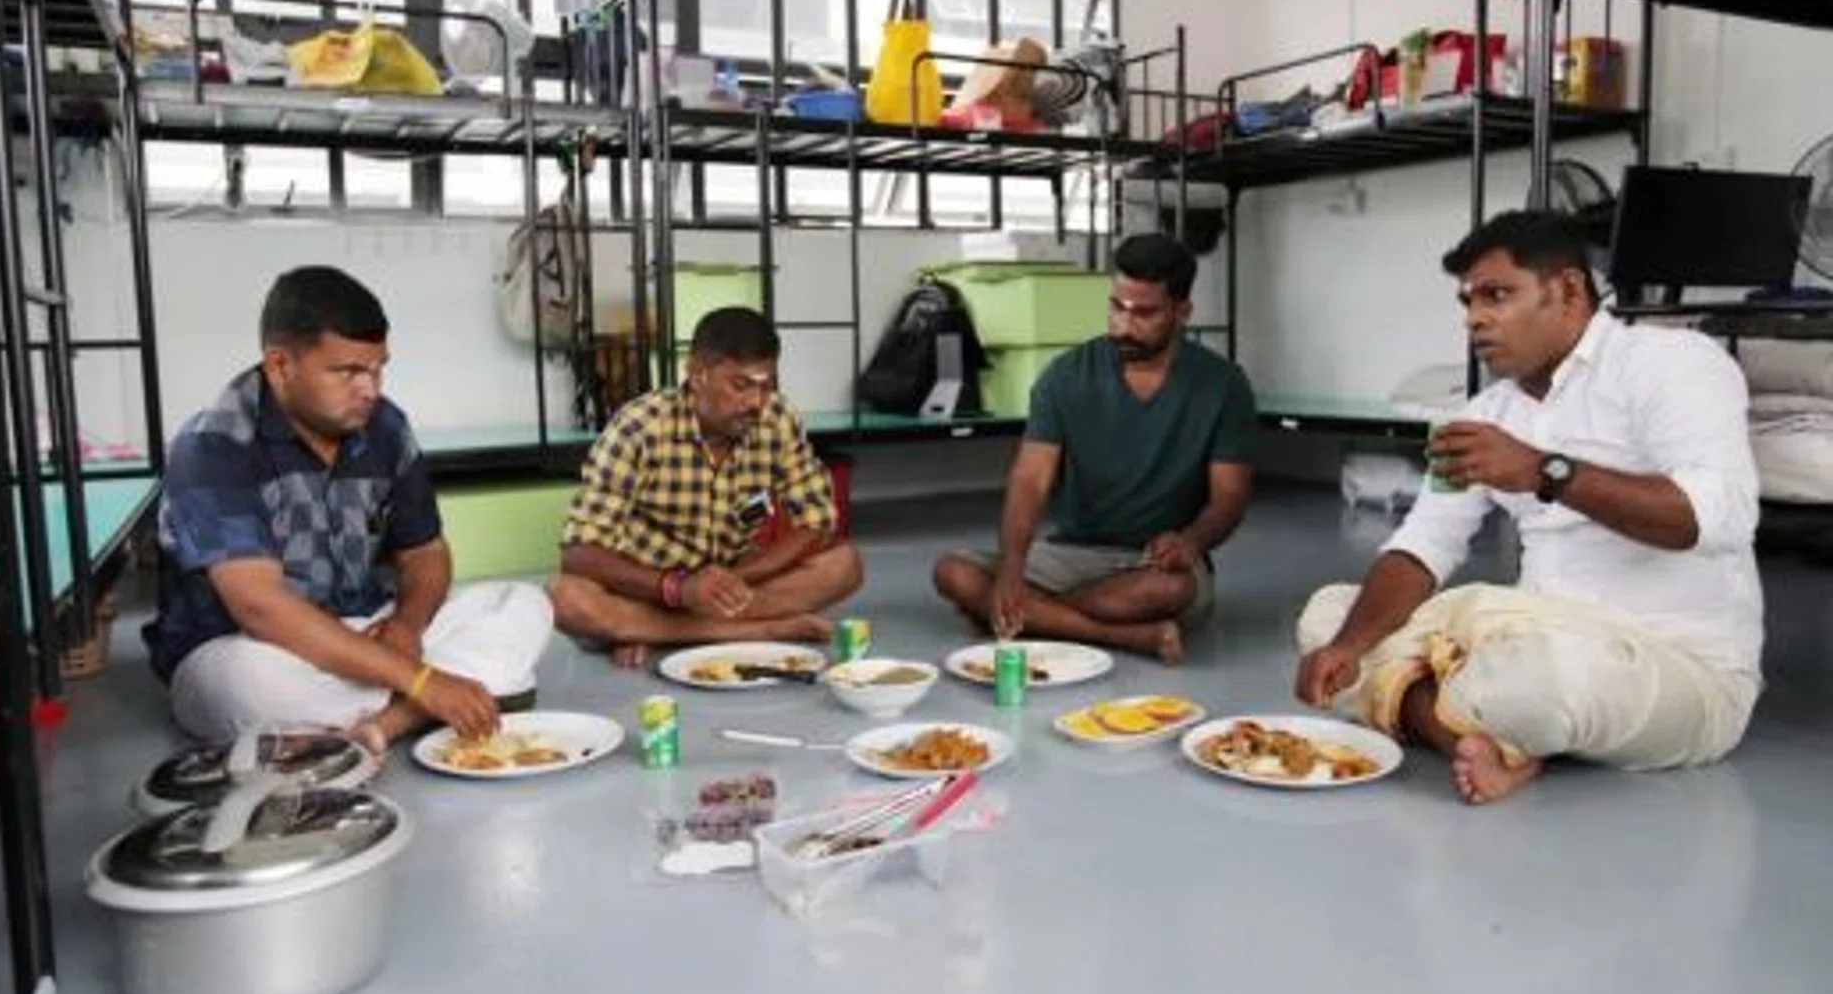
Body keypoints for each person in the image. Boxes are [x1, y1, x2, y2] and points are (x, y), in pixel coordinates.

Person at [1294, 210, 1763, 804]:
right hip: (1528, 634)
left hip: (1675, 669)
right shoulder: (1482, 416)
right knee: (1329, 619)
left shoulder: (1674, 364)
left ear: (1567, 289)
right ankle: (1491, 740)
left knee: (1531, 681)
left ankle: (1445, 712)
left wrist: (1548, 472)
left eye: (1497, 295)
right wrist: (1347, 647)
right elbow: (1424, 545)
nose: (1475, 319)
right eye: (1467, 302)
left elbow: (1715, 518)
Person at [144, 266, 553, 752]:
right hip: (258, 649)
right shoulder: (214, 444)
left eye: (378, 368)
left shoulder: (385, 426)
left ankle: (379, 723)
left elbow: (424, 552)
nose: (370, 389)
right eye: (348, 372)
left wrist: (407, 627)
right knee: (237, 684)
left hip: (369, 629)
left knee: (524, 602)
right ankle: (440, 700)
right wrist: (420, 680)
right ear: (280, 366)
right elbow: (261, 608)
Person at [932, 233, 1257, 663]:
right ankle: (1131, 638)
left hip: (1152, 567)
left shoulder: (1223, 385)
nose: (1124, 325)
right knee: (953, 573)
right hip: (1070, 555)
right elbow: (1030, 480)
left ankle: (1035, 619)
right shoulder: (1065, 376)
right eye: (1116, 306)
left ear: (1182, 312)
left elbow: (1230, 499)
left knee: (1171, 590)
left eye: (1145, 313)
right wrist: (1011, 570)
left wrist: (1192, 541)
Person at [550, 307, 864, 667]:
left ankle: (650, 631)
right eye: (741, 385)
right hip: (647, 587)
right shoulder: (639, 427)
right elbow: (579, 555)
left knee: (844, 564)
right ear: (697, 374)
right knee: (566, 598)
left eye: (767, 386)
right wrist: (680, 588)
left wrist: (730, 581)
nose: (756, 404)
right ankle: (754, 631)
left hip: (733, 580)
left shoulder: (777, 419)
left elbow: (816, 522)